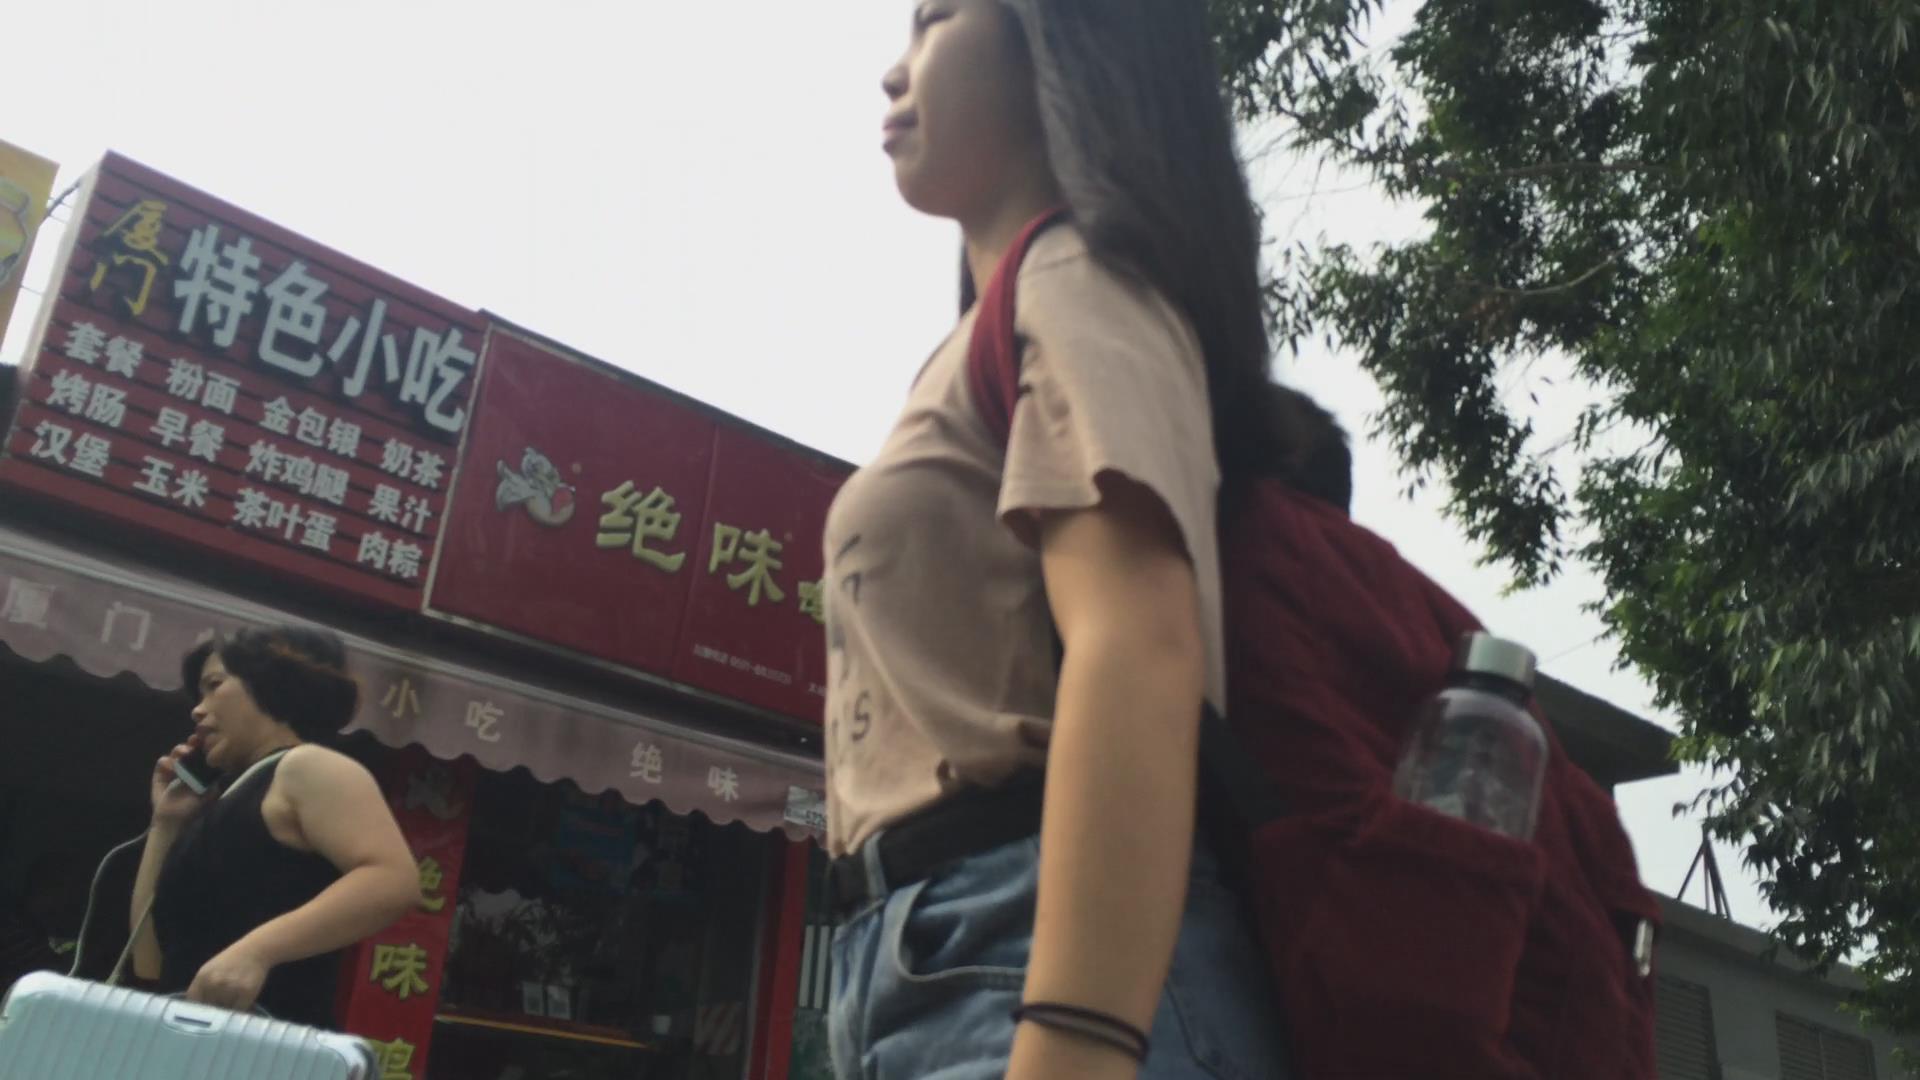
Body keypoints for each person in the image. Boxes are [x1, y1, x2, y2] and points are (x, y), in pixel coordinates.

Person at [822, 2, 1335, 1078]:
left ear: (1059, 39)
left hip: (1025, 953)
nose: (894, 72)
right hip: (935, 958)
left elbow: (1136, 643)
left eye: (937, 18)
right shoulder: (991, 330)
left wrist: (1078, 1037)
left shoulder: (1075, 280)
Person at [128, 626, 419, 1025]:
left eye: (214, 685)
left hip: (269, 1041)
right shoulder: (217, 802)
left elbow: (393, 879)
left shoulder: (306, 766)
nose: (198, 709)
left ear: (271, 684)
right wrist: (166, 824)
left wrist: (257, 951)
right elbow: (148, 961)